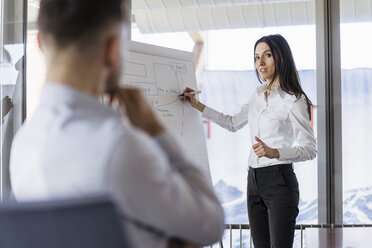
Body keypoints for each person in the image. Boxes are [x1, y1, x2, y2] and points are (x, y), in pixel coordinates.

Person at [10, 0, 224, 247]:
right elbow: (211, 224)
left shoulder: (24, 143)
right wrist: (156, 130)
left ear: (40, 43)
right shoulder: (118, 146)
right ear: (112, 49)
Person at [181, 34, 317, 248]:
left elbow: (310, 149)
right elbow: (232, 123)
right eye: (256, 57)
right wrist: (198, 105)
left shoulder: (294, 99)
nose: (260, 63)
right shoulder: (257, 95)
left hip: (279, 181)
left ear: (281, 58)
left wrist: (275, 152)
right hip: (254, 180)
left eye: (267, 56)